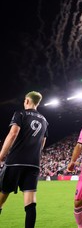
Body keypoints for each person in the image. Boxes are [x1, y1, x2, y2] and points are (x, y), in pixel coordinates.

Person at [0, 91, 48, 228]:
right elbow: (43, 142)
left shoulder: (20, 114)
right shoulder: (45, 121)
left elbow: (13, 133)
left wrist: (1, 156)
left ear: (27, 101)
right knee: (30, 203)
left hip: (15, 161)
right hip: (33, 164)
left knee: (2, 196)